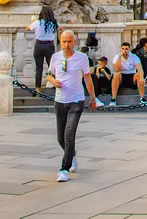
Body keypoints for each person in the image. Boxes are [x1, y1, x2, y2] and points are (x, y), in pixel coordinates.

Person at [48, 30, 98, 182]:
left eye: (69, 42)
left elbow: (88, 79)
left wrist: (93, 98)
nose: (66, 45)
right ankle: (71, 154)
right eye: (64, 42)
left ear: (74, 42)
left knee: (69, 134)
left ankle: (64, 169)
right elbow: (49, 74)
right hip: (60, 100)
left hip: (76, 101)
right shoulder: (55, 57)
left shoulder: (82, 58)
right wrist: (52, 81)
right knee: (60, 138)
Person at [27, 7, 59, 90]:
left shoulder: (37, 22)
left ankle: (38, 88)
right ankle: (53, 85)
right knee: (51, 66)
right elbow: (60, 28)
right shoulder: (53, 23)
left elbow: (28, 28)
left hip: (39, 45)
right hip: (49, 45)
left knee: (39, 68)